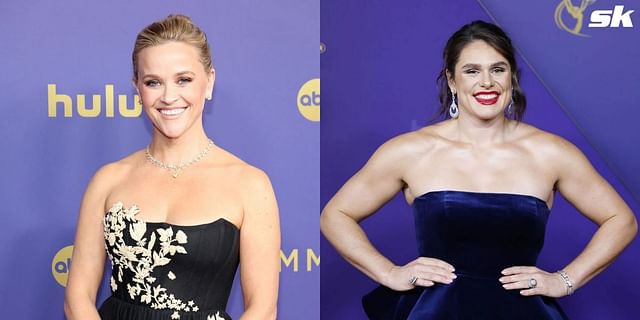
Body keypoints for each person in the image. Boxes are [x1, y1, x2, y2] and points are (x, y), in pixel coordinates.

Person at [320, 20, 637, 319]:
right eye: (472, 71)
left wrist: (564, 280)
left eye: (498, 69)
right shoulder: (410, 151)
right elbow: (336, 215)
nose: (487, 82)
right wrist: (389, 272)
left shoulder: (551, 152)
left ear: (511, 77)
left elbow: (620, 220)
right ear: (451, 80)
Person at [64, 15, 280, 320]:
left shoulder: (250, 185)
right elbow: (77, 299)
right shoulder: (107, 181)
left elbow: (262, 309)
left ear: (210, 82)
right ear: (137, 89)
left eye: (184, 80)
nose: (168, 96)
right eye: (153, 82)